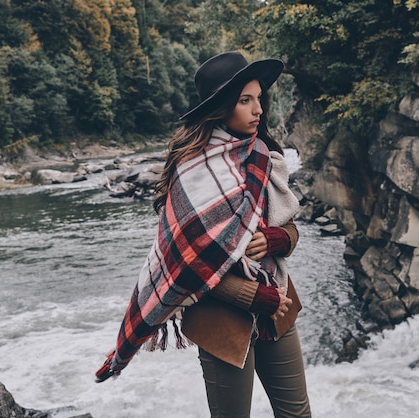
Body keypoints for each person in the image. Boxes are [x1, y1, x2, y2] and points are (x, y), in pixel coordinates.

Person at [95, 51, 311, 417]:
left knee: (298, 415)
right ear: (222, 107)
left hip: (277, 308)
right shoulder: (191, 169)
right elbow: (186, 264)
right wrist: (251, 295)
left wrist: (279, 239)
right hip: (221, 322)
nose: (258, 109)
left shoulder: (265, 154)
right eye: (245, 101)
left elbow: (290, 226)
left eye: (259, 99)